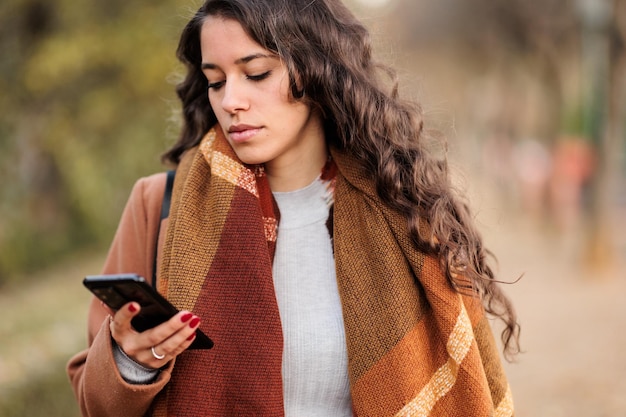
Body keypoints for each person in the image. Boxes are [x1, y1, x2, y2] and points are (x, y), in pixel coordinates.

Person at [67, 0, 520, 416]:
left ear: (317, 70)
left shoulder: (402, 210)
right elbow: (93, 401)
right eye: (216, 82)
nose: (231, 102)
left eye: (257, 73)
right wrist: (132, 362)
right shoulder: (159, 207)